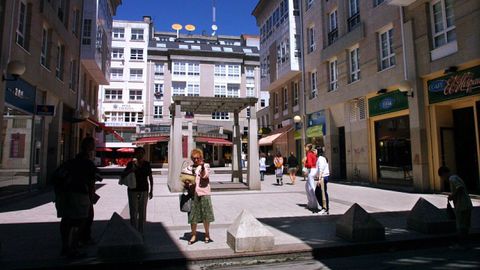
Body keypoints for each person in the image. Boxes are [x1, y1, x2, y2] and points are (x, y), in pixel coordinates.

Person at [55, 137, 97, 258]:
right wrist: (91, 196)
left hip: (64, 193)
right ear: (89, 146)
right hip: (79, 193)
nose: (94, 145)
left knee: (66, 219)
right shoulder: (87, 162)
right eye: (93, 143)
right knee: (82, 220)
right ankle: (74, 246)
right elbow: (92, 181)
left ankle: (65, 246)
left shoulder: (71, 161)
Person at [184, 149, 215, 244]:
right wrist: (186, 183)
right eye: (194, 158)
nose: (196, 160)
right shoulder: (188, 168)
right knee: (193, 216)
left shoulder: (206, 166)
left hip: (204, 192)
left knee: (206, 215)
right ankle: (193, 235)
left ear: (201, 158)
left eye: (198, 158)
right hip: (193, 194)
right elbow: (184, 180)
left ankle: (207, 234)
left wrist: (201, 167)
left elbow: (205, 176)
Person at [438, 167, 473, 246]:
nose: (443, 179)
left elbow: (460, 187)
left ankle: (462, 244)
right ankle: (465, 244)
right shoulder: (456, 177)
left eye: (442, 177)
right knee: (465, 226)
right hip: (466, 205)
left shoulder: (452, 178)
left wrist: (452, 196)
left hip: (462, 206)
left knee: (461, 226)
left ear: (444, 173)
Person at [122, 147, 153, 235]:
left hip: (144, 189)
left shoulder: (147, 164)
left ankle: (141, 231)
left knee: (142, 211)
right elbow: (123, 174)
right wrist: (131, 169)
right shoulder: (130, 164)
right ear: (135, 154)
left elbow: (150, 177)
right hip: (132, 189)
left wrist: (151, 190)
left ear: (144, 154)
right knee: (133, 211)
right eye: (138, 153)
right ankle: (133, 231)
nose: (140, 155)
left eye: (141, 153)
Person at [315, 150, 330, 215]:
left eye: (314, 150)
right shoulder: (321, 158)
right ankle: (325, 207)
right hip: (323, 177)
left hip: (323, 178)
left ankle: (325, 208)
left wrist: (319, 178)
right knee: (318, 192)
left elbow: (321, 169)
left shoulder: (321, 159)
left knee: (322, 193)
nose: (313, 152)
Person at [304, 144, 318, 212]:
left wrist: (304, 163)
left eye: (305, 147)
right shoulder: (312, 153)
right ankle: (311, 203)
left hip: (312, 170)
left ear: (308, 148)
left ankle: (313, 203)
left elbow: (309, 164)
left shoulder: (309, 154)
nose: (304, 148)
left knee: (310, 187)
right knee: (307, 186)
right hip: (314, 169)